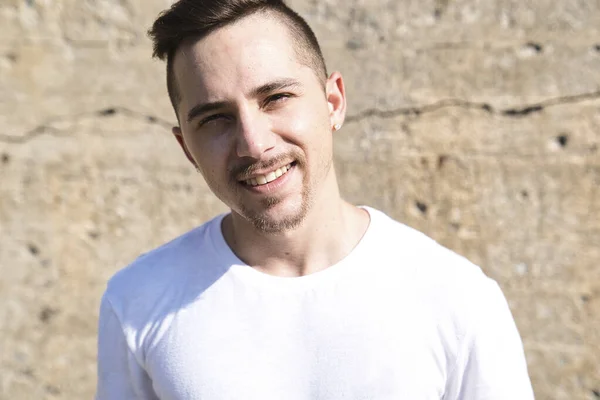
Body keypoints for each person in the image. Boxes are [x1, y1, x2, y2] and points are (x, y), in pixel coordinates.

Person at [95, 0, 535, 399]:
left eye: (276, 98)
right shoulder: (137, 301)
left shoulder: (457, 298)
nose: (253, 143)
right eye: (215, 118)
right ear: (187, 148)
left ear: (333, 102)